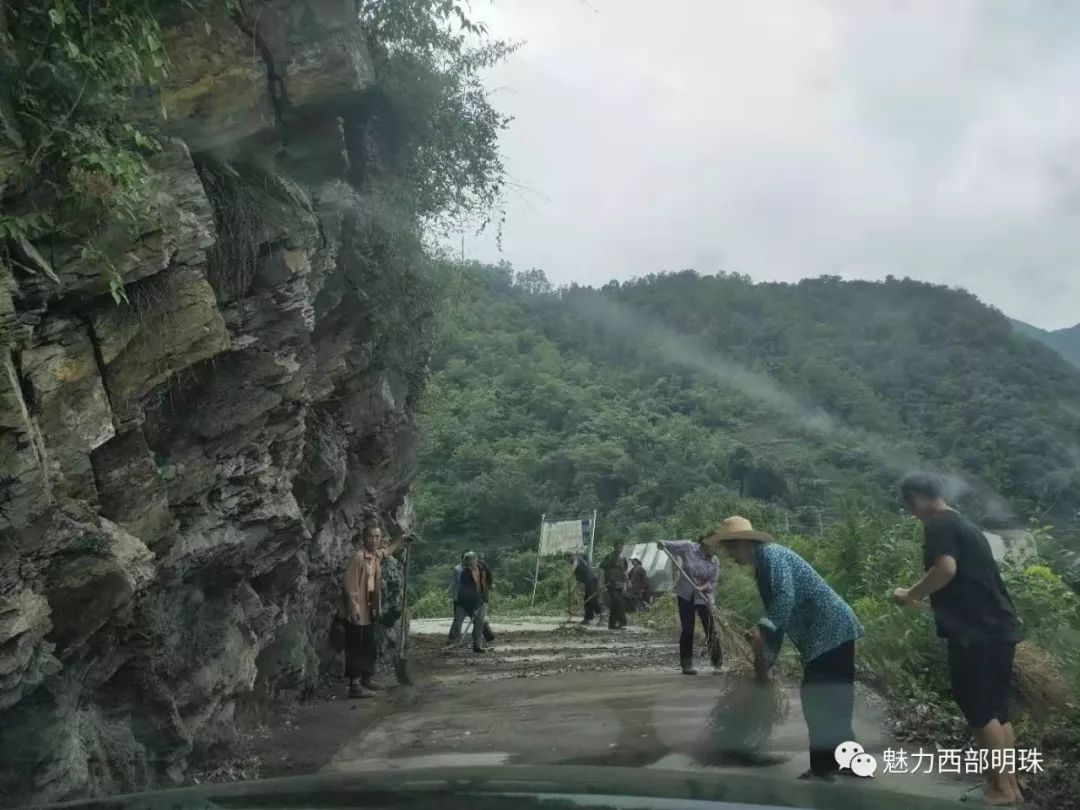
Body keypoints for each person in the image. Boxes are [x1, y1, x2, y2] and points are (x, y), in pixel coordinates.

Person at [893, 473, 1023, 806]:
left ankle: (1001, 789)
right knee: (998, 712)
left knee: (980, 712)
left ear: (918, 498)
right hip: (998, 629)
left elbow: (945, 569)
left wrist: (910, 593)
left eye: (910, 505)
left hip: (975, 635)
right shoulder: (966, 525)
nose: (912, 512)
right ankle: (1009, 787)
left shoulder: (938, 524)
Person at [716, 515, 863, 783]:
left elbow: (785, 597)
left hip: (830, 629)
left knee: (817, 700)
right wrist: (765, 660)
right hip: (830, 632)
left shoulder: (772, 556)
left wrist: (762, 628)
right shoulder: (762, 569)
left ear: (743, 544)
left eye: (730, 548)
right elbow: (777, 618)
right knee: (836, 698)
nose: (729, 554)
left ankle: (822, 768)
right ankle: (851, 762)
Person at [342, 524, 412, 699]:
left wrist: (401, 540)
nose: (374, 540)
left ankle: (367, 678)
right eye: (371, 536)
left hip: (371, 610)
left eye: (377, 537)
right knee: (356, 647)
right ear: (364, 538)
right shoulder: (358, 558)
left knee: (369, 647)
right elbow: (349, 584)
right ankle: (355, 686)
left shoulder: (374, 557)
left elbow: (387, 551)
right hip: (358, 611)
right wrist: (353, 605)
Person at [657, 535, 722, 674]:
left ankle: (717, 664)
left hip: (704, 597)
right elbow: (668, 544)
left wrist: (703, 588)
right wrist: (662, 543)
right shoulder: (688, 547)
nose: (716, 550)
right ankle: (686, 665)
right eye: (714, 546)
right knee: (687, 629)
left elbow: (713, 581)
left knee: (710, 629)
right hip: (686, 595)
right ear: (705, 544)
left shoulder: (715, 561)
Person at [449, 551, 492, 653]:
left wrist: (485, 594)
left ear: (475, 560)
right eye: (466, 565)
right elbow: (467, 592)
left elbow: (489, 579)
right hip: (464, 602)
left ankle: (477, 646)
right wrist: (474, 605)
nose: (468, 566)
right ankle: (453, 643)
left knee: (479, 622)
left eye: (470, 564)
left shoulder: (483, 567)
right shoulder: (465, 573)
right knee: (457, 622)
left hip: (480, 600)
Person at [599, 546, 629, 629]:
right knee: (618, 603)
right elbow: (602, 570)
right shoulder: (608, 558)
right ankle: (622, 623)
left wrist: (627, 582)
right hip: (611, 584)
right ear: (614, 547)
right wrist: (601, 584)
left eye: (621, 547)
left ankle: (612, 624)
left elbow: (625, 572)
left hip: (620, 584)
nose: (619, 549)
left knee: (616, 604)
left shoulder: (623, 558)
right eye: (618, 547)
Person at [571, 554, 600, 624]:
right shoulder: (579, 570)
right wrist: (573, 590)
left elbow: (574, 564)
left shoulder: (576, 559)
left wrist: (570, 575)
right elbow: (579, 582)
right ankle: (587, 619)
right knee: (587, 601)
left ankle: (602, 617)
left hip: (592, 581)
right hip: (588, 583)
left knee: (593, 600)